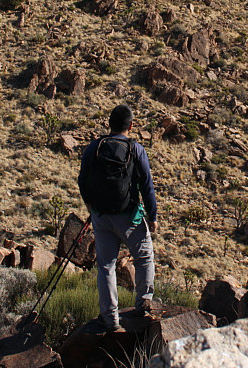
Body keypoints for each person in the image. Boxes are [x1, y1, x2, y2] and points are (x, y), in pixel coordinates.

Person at [78, 104, 157, 331]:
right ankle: (143, 304)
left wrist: (90, 203)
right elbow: (146, 185)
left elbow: (82, 179)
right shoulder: (136, 149)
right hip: (129, 216)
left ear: (109, 124)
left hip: (101, 216)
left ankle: (110, 318)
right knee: (143, 257)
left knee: (106, 266)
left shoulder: (95, 147)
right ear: (130, 126)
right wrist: (152, 215)